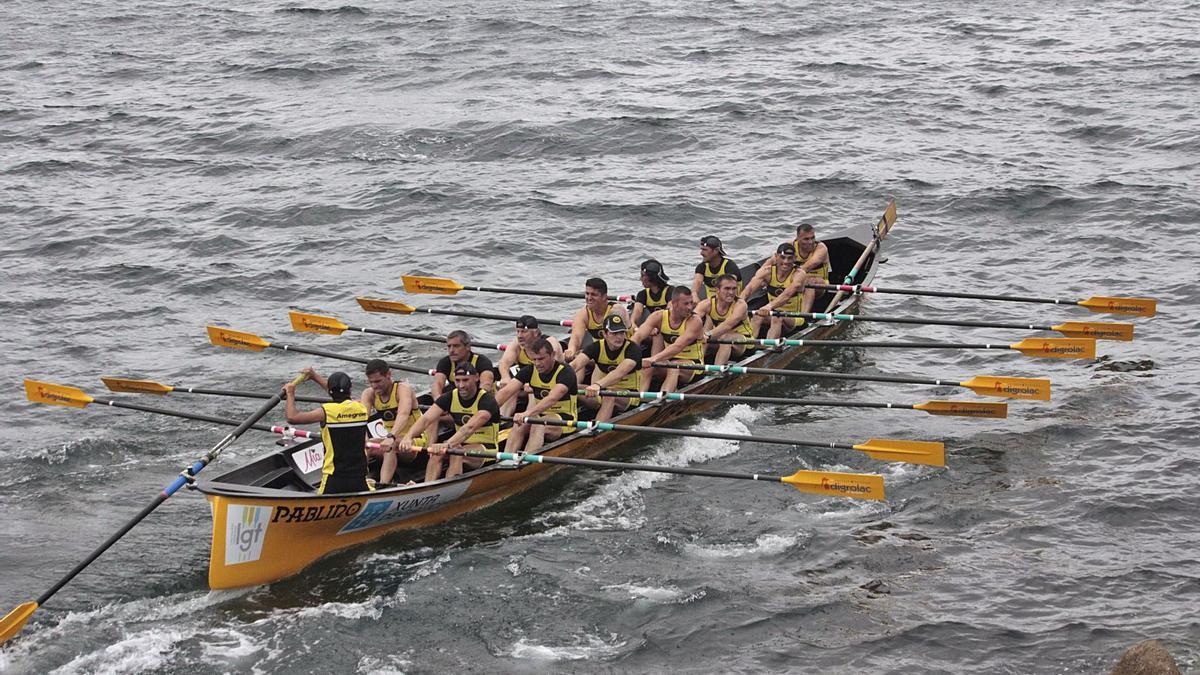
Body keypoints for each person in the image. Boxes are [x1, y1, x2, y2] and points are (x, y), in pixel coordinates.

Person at [305, 362, 425, 485]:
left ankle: (383, 485)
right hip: (392, 441)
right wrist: (315, 377)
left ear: (389, 375)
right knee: (365, 445)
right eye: (371, 382)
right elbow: (356, 415)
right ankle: (356, 480)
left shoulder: (403, 389)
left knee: (391, 446)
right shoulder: (370, 393)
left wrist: (391, 436)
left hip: (415, 443)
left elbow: (403, 414)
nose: (374, 386)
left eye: (378, 381)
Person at [398, 363, 501, 482]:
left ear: (476, 378)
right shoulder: (450, 397)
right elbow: (426, 419)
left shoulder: (487, 400)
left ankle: (450, 487)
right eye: (457, 381)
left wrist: (447, 444)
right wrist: (408, 437)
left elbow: (469, 428)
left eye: (465, 380)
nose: (461, 385)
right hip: (460, 444)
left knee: (456, 451)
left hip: (486, 450)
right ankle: (428, 487)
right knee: (437, 453)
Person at [284, 371, 369, 494]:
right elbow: (341, 399)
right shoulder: (362, 407)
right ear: (350, 389)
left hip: (334, 479)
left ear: (330, 391)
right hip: (359, 478)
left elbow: (292, 417)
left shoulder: (326, 411)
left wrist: (290, 393)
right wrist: (315, 376)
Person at [497, 337, 578, 454]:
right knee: (519, 424)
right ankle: (506, 459)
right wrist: (487, 411)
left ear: (552, 355)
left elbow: (552, 398)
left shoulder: (566, 372)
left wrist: (527, 413)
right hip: (540, 415)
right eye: (534, 359)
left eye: (541, 359)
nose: (538, 363)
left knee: (537, 424)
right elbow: (506, 392)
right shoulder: (530, 370)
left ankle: (527, 463)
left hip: (565, 419)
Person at [631, 285, 705, 393]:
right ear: (674, 303)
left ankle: (662, 401)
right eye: (686, 304)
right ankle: (639, 401)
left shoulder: (695, 321)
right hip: (669, 362)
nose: (690, 307)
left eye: (691, 303)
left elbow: (678, 346)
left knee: (673, 367)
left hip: (694, 367)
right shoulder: (658, 316)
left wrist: (653, 359)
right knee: (647, 368)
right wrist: (625, 354)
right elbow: (638, 336)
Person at [571, 314, 642, 422]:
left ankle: (595, 431)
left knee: (610, 395)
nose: (619, 337)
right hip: (602, 391)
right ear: (604, 334)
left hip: (628, 395)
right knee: (572, 388)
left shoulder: (633, 349)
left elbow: (619, 373)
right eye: (614, 333)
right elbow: (575, 365)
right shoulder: (596, 347)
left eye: (622, 332)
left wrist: (598, 385)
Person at [742, 242, 806, 340]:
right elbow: (749, 289)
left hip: (794, 318)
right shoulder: (767, 272)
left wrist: (769, 306)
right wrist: (739, 303)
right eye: (782, 257)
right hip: (772, 313)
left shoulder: (799, 274)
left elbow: (787, 294)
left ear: (795, 258)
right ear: (776, 257)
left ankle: (769, 347)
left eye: (790, 258)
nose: (786, 262)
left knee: (777, 316)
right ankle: (750, 345)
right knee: (757, 315)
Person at [563, 278, 631, 363]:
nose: (589, 298)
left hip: (624, 351)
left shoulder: (615, 311)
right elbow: (576, 337)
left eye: (594, 294)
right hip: (601, 353)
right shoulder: (583, 313)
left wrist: (585, 354)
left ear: (604, 296)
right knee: (577, 359)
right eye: (587, 294)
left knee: (582, 357)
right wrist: (571, 350)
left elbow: (614, 343)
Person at [695, 273, 753, 365]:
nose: (731, 292)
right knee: (701, 340)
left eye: (734, 288)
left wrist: (707, 334)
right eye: (727, 288)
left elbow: (728, 325)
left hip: (744, 344)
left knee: (725, 337)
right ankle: (698, 367)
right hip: (720, 339)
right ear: (717, 290)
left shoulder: (740, 305)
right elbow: (691, 320)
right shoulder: (706, 304)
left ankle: (717, 372)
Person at [432, 330, 495, 398]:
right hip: (461, 399)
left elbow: (486, 384)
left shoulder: (482, 361)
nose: (451, 350)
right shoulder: (445, 362)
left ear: (468, 347)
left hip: (487, 399)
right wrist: (438, 401)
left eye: (456, 346)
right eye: (449, 346)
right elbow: (437, 384)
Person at [791, 223, 832, 312]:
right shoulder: (790, 246)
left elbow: (809, 265)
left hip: (820, 284)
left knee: (810, 282)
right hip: (799, 282)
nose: (810, 242)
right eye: (806, 239)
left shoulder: (821, 248)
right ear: (797, 238)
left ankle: (802, 317)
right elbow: (772, 261)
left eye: (812, 238)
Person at [691, 235, 741, 300]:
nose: (701, 253)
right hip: (712, 305)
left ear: (716, 250)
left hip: (731, 303)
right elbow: (697, 283)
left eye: (705, 250)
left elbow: (729, 291)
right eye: (701, 249)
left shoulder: (729, 266)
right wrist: (694, 296)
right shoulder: (702, 267)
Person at [630, 259, 671, 326]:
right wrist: (632, 323)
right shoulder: (642, 294)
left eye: (643, 275)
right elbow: (637, 311)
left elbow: (669, 313)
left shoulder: (670, 291)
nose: (640, 279)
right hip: (650, 327)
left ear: (651, 277)